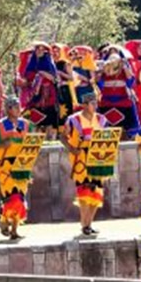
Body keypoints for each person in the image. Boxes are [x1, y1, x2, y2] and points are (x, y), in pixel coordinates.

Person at [61, 92, 108, 237]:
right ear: (85, 105)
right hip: (81, 159)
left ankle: (89, 224)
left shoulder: (101, 119)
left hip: (97, 159)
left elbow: (106, 138)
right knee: (84, 191)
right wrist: (72, 149)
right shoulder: (73, 120)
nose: (95, 105)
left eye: (96, 103)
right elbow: (62, 137)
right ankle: (84, 224)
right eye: (92, 103)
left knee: (97, 192)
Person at [0, 96, 33, 240]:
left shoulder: (27, 125)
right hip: (5, 166)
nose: (19, 109)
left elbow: (32, 143)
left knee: (20, 197)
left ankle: (14, 229)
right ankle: (4, 220)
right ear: (8, 109)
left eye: (19, 106)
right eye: (15, 107)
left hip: (22, 165)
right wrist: (3, 145)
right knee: (12, 197)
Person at [17, 41, 60, 139]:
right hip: (35, 96)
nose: (40, 51)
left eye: (42, 49)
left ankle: (50, 138)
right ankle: (35, 138)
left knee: (49, 117)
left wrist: (41, 73)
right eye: (38, 48)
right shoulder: (31, 63)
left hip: (48, 94)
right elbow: (27, 79)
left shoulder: (50, 63)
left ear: (46, 51)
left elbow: (54, 79)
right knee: (35, 117)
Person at [97, 47, 139, 139]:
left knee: (130, 111)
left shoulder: (124, 67)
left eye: (115, 53)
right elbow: (99, 82)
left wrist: (124, 67)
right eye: (111, 53)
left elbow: (130, 81)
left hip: (122, 100)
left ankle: (130, 134)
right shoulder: (105, 68)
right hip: (106, 101)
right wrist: (100, 69)